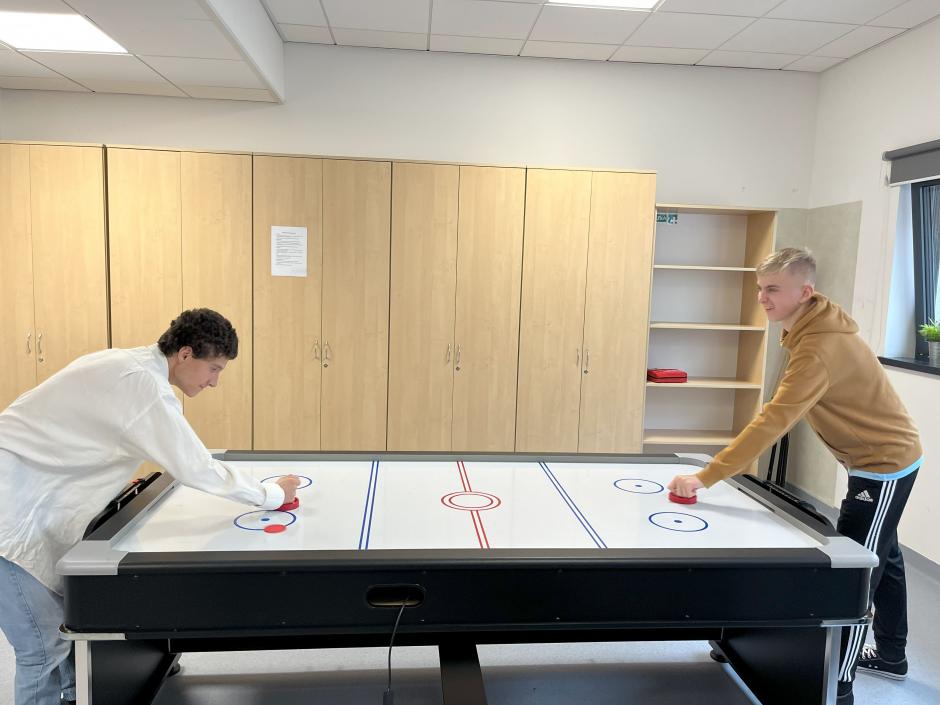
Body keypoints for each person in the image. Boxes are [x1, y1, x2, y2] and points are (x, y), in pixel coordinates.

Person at [0, 308, 301, 705]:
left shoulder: (121, 361)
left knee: (67, 633)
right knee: (42, 648)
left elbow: (63, 428)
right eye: (214, 369)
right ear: (186, 354)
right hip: (12, 521)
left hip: (25, 497)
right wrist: (272, 494)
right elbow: (196, 466)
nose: (214, 382)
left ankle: (75, 697)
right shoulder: (146, 388)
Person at [667, 248, 922, 705]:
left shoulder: (819, 347)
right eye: (759, 287)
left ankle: (837, 683)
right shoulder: (811, 324)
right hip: (874, 459)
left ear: (805, 292)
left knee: (854, 572)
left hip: (883, 464)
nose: (761, 297)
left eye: (772, 289)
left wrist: (707, 476)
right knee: (886, 557)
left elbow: (773, 420)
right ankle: (892, 655)